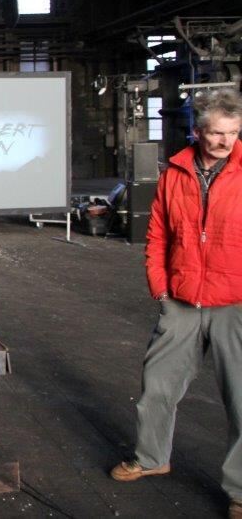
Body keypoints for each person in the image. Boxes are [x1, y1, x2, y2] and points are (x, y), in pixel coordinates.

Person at [110, 87, 242, 518]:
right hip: (182, 299)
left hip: (234, 303)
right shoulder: (175, 173)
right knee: (157, 388)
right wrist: (161, 289)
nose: (227, 142)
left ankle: (240, 490)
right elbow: (158, 235)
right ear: (199, 131)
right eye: (219, 133)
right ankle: (151, 459)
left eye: (234, 133)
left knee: (241, 399)